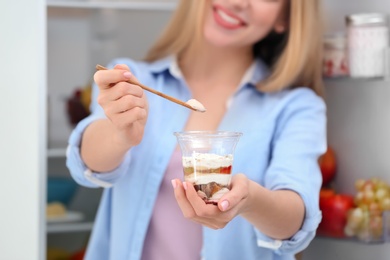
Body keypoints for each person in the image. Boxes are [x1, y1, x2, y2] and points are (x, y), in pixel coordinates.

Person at [66, 0, 327, 259]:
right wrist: (119, 135)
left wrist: (249, 201)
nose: (237, 2)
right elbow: (88, 165)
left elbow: (295, 221)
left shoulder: (296, 107)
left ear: (285, 17)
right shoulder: (135, 81)